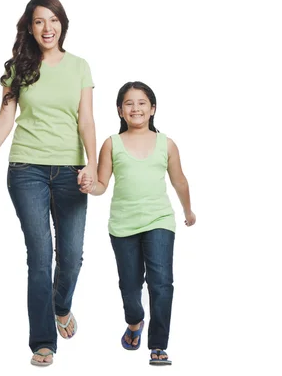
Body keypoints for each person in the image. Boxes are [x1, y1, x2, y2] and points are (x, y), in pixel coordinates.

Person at [0, 0, 97, 366]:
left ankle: (61, 306)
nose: (47, 28)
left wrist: (91, 164)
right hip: (27, 170)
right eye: (39, 21)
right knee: (40, 257)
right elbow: (5, 118)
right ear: (30, 26)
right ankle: (42, 341)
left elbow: (86, 120)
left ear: (62, 24)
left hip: (71, 171)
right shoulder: (19, 68)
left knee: (71, 256)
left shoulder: (79, 67)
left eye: (53, 20)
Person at [83, 81, 196, 366]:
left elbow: (179, 180)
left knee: (161, 283)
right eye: (129, 103)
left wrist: (188, 210)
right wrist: (89, 186)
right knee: (130, 286)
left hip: (160, 220)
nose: (136, 108)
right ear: (120, 111)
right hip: (123, 225)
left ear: (153, 108)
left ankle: (158, 346)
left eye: (142, 102)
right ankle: (134, 322)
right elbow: (101, 185)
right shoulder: (112, 143)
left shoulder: (166, 143)